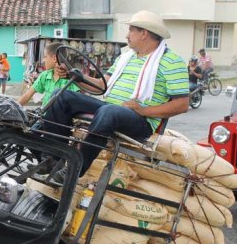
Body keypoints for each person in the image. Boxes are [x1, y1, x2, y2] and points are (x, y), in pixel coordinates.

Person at [42, 10, 189, 176]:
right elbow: (100, 86)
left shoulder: (172, 61)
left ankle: (74, 169)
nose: (127, 35)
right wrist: (75, 77)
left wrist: (143, 111)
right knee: (60, 95)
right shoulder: (125, 58)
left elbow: (182, 104)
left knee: (109, 111)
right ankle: (52, 159)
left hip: (141, 120)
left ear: (144, 33)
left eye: (131, 30)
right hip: (112, 109)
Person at [18, 42, 80, 107]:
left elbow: (77, 102)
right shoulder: (45, 75)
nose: (43, 60)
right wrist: (14, 107)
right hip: (44, 115)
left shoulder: (71, 78)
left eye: (45, 57)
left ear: (54, 58)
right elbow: (28, 94)